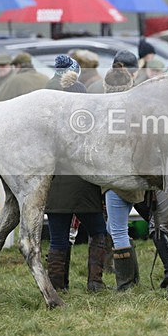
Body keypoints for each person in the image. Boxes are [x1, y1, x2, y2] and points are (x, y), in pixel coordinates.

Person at [43, 55, 108, 292]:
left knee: (58, 238)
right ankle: (95, 282)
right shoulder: (81, 104)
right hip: (82, 182)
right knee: (98, 231)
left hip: (55, 182)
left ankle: (58, 287)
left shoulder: (46, 101)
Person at [102, 66, 142, 290]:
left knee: (117, 231)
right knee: (115, 228)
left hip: (117, 179)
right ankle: (132, 278)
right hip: (137, 179)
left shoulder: (108, 114)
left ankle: (126, 284)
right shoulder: (137, 111)